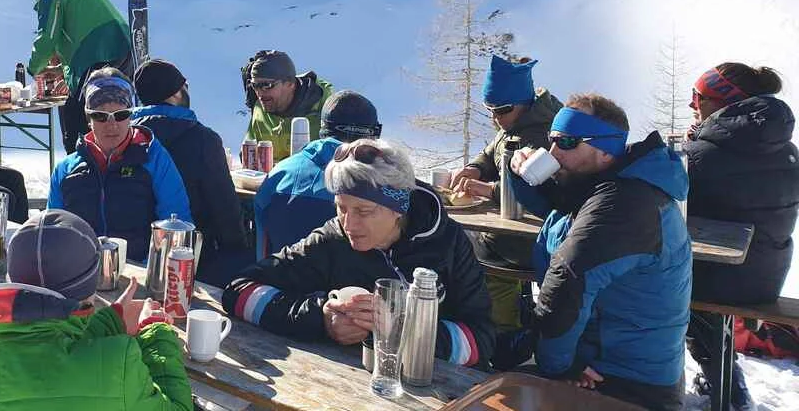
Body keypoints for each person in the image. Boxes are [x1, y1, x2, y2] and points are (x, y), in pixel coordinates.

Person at [223, 140, 495, 369]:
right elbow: (238, 291)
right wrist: (320, 319)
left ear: (398, 209)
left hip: (433, 390)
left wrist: (401, 332)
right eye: (341, 207)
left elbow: (482, 341)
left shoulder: (447, 242)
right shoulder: (333, 239)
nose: (349, 223)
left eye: (363, 211)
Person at [507, 94, 691, 411]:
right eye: (551, 140)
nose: (552, 152)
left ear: (606, 149)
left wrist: (560, 368)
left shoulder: (626, 203)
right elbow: (559, 203)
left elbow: (568, 280)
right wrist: (517, 168)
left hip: (627, 383)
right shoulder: (602, 184)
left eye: (567, 142)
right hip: (600, 361)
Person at [0, 209, 193, 411]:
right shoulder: (120, 362)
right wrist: (156, 332)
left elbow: (45, 354)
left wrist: (111, 321)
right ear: (90, 289)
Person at [684, 63, 799, 411]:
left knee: (655, 284)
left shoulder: (706, 156)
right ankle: (724, 383)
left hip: (725, 276)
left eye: (698, 97)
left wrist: (694, 149)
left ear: (724, 103)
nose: (692, 105)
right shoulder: (785, 148)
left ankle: (727, 391)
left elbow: (674, 207)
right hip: (767, 272)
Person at [450, 56, 562, 337]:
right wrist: (475, 168)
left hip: (531, 237)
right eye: (489, 109)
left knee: (476, 252)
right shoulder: (514, 124)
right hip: (517, 230)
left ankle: (500, 332)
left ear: (524, 102)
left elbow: (542, 194)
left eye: (501, 110)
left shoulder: (540, 135)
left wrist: (489, 191)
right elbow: (491, 152)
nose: (495, 118)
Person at [47, 69, 191, 261]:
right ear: (89, 119)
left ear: (131, 116)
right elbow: (52, 233)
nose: (111, 124)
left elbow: (177, 227)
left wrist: (147, 274)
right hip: (79, 275)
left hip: (141, 276)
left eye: (121, 114)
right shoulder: (65, 170)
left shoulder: (153, 158)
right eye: (100, 116)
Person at [131, 59, 249, 285]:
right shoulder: (203, 139)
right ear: (175, 93)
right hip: (193, 256)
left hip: (136, 253)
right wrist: (238, 252)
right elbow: (223, 205)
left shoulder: (128, 137)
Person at [253, 90, 382, 259]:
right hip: (350, 284)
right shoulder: (381, 183)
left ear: (323, 127)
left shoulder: (279, 173)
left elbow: (262, 245)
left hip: (276, 278)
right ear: (371, 135)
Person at [26, 0, 132, 154]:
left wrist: (35, 68)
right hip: (122, 48)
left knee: (78, 115)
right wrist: (60, 70)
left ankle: (81, 162)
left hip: (96, 51)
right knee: (110, 105)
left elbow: (48, 36)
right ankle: (111, 158)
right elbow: (75, 36)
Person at [241, 50, 333, 160]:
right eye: (255, 85)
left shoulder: (325, 107)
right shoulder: (260, 109)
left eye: (267, 85)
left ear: (290, 84)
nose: (260, 93)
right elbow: (248, 155)